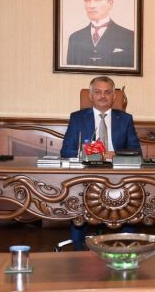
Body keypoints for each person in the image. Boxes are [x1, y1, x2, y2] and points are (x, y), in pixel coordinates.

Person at [60, 76, 141, 250]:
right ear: (90, 96)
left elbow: (136, 152)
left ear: (114, 97)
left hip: (118, 176)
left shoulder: (125, 119)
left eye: (107, 92)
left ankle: (126, 245)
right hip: (86, 174)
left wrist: (117, 155)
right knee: (77, 195)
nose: (102, 96)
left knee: (131, 195)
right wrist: (91, 155)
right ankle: (78, 247)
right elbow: (66, 151)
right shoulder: (77, 118)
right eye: (98, 92)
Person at [67, 0, 135, 68]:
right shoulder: (75, 38)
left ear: (110, 4)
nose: (91, 5)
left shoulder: (129, 37)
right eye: (87, 0)